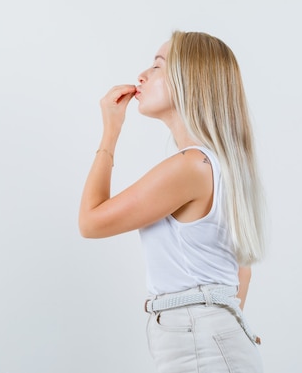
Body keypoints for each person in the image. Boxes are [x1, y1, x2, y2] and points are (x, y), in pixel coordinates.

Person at [78, 31, 266, 372]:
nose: (142, 75)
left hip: (201, 342)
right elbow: (243, 273)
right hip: (212, 340)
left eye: (157, 65)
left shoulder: (191, 166)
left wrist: (110, 132)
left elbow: (90, 222)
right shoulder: (222, 165)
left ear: (189, 81)